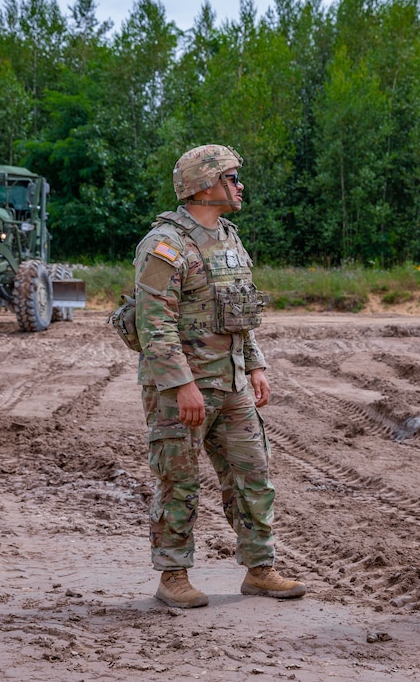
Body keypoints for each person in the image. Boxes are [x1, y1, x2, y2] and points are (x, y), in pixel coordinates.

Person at [132, 143, 307, 609]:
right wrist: (181, 383)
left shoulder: (229, 238)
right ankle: (173, 574)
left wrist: (255, 365)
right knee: (179, 480)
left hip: (230, 385)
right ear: (205, 185)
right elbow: (155, 324)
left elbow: (241, 309)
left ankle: (260, 568)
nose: (239, 184)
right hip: (183, 392)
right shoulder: (166, 245)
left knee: (253, 474)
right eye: (231, 176)